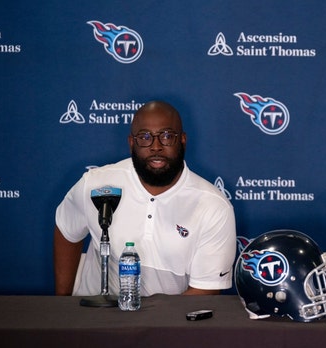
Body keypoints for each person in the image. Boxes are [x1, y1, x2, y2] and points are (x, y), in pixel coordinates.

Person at [54, 100, 236, 296]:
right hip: (93, 318)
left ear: (182, 140)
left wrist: (151, 323)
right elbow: (66, 230)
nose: (156, 146)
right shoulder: (97, 184)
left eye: (166, 136)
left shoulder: (213, 206)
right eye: (145, 137)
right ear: (132, 143)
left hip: (168, 322)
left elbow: (204, 291)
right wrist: (62, 303)